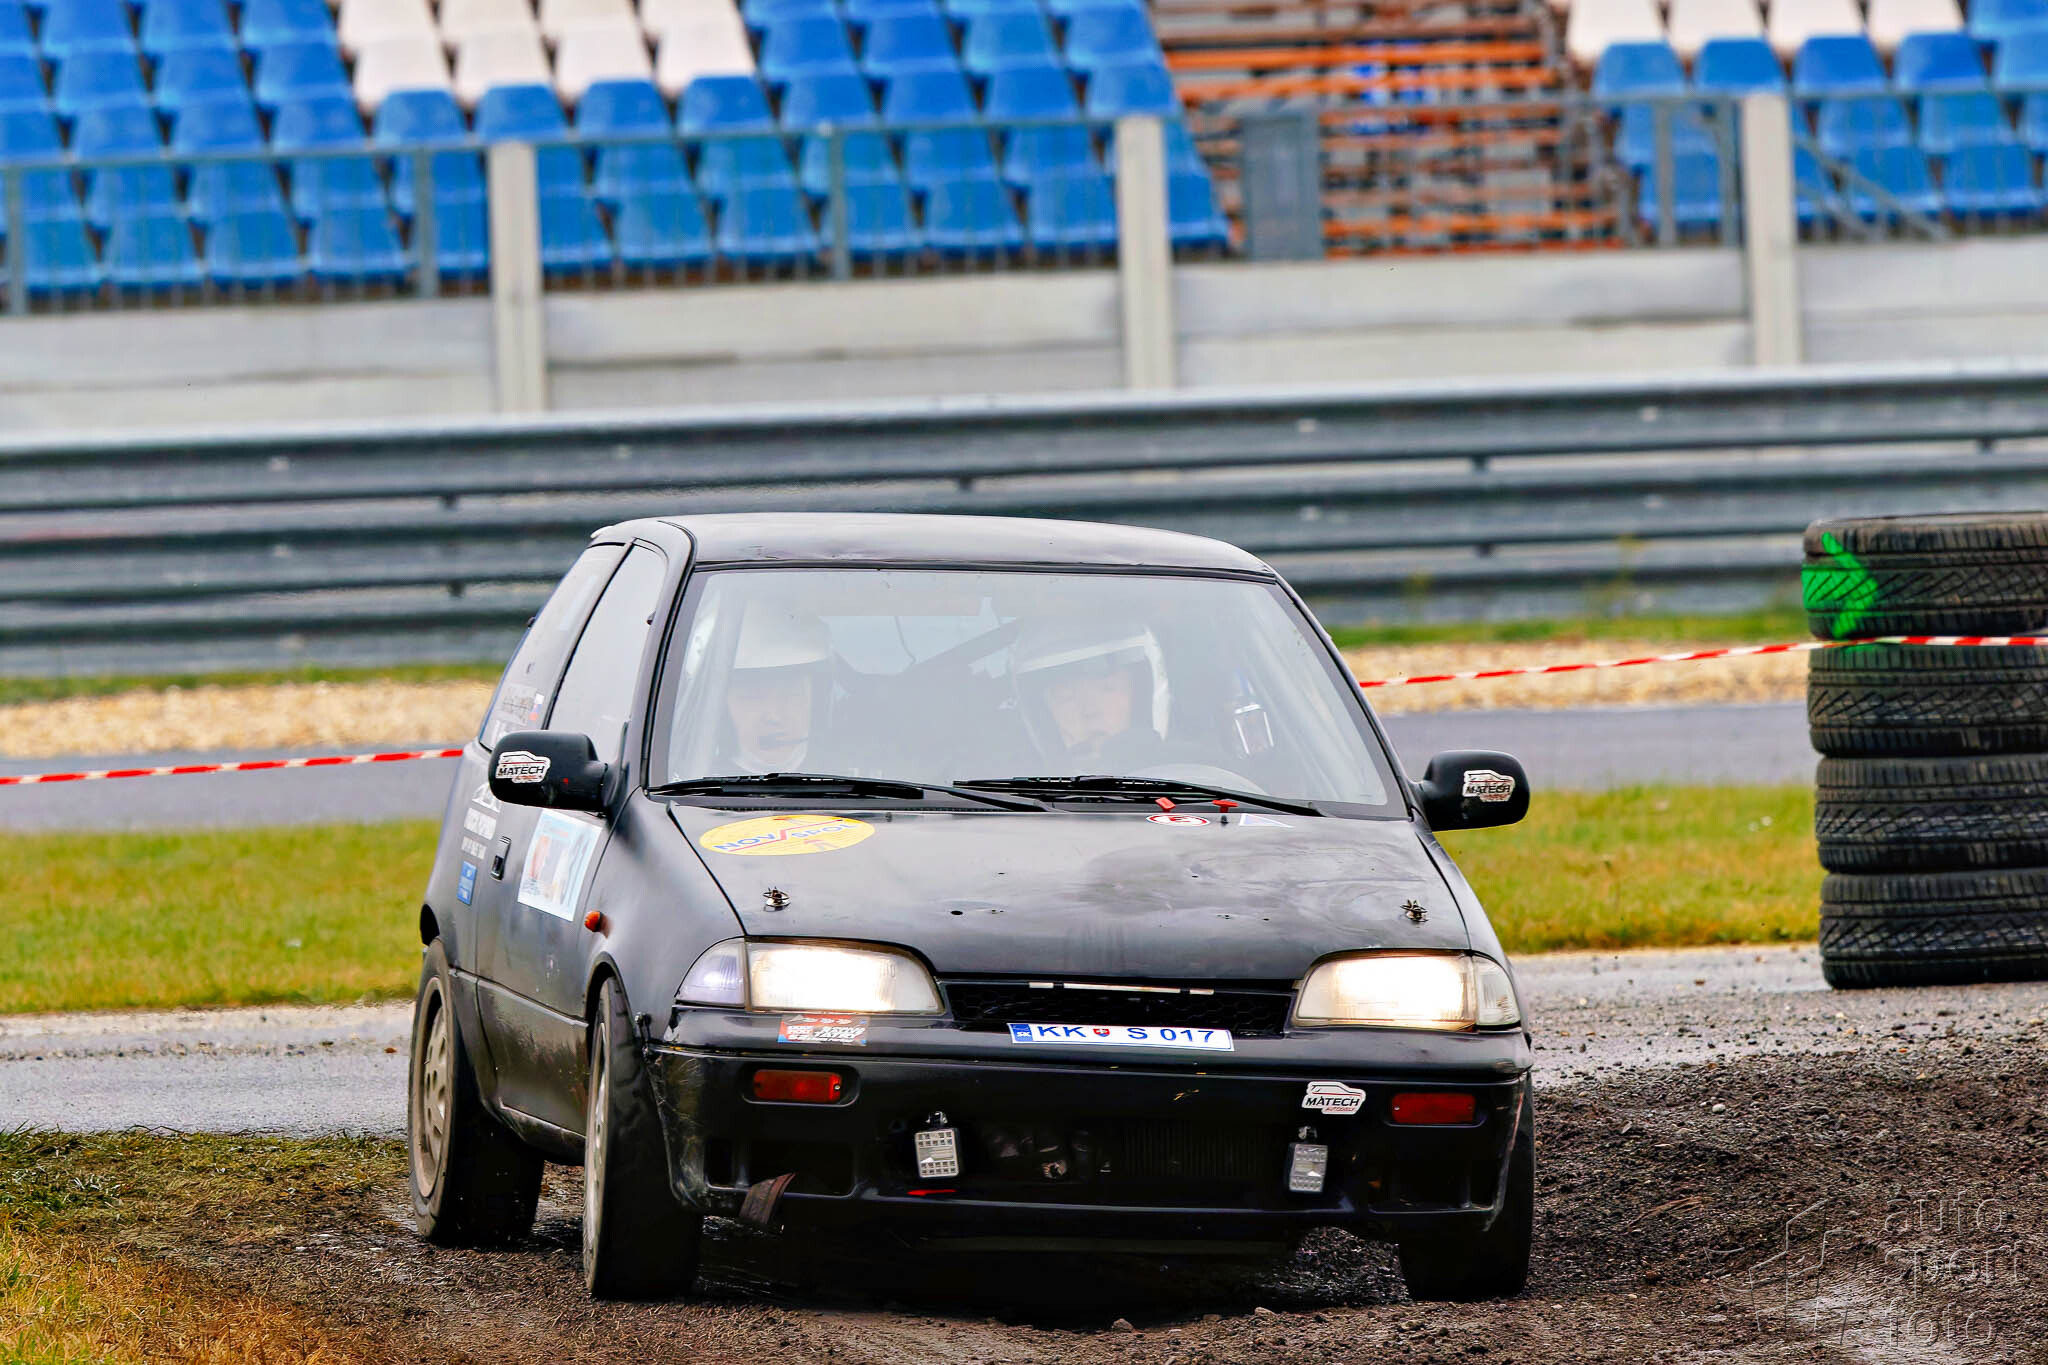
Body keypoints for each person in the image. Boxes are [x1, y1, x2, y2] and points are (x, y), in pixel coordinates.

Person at [1010, 618, 1182, 771]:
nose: (1089, 711)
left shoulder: (1188, 776)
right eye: (1066, 696)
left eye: (1107, 689)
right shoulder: (1009, 784)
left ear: (1140, 696)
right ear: (1043, 713)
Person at [718, 609, 833, 774]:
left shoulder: (851, 774)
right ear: (722, 711)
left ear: (815, 704)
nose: (774, 717)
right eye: (752, 698)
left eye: (791, 695)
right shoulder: (690, 779)